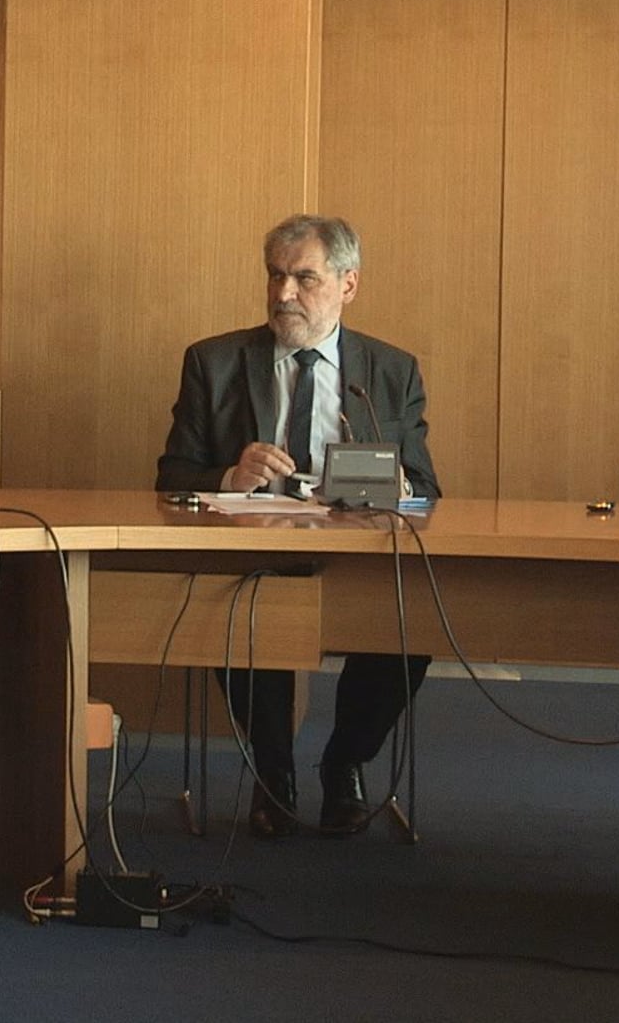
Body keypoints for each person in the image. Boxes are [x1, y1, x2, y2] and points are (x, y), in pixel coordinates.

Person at [153, 214, 440, 838]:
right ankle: (273, 772)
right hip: (256, 552)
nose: (284, 293)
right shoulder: (214, 362)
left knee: (409, 623)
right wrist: (230, 476)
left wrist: (402, 488)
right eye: (275, 276)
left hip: (359, 555)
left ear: (348, 284)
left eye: (304, 278)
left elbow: (426, 487)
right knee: (239, 606)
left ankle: (345, 764)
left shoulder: (391, 371)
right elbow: (172, 476)